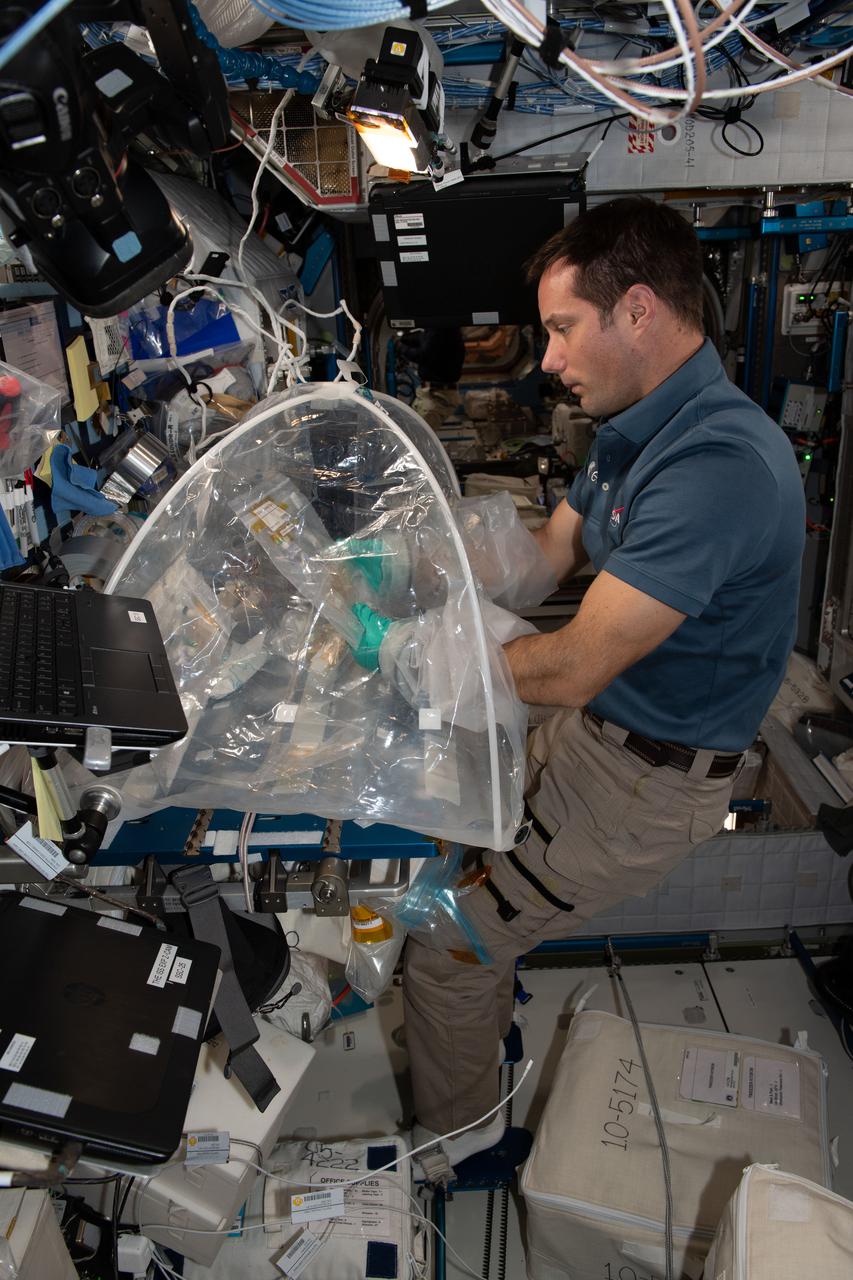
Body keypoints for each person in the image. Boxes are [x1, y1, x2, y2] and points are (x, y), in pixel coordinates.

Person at [397, 196, 806, 1167]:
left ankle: (461, 1144)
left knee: (443, 950)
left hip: (639, 784)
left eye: (561, 328)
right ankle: (480, 1027)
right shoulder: (634, 427)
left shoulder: (719, 463)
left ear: (636, 311)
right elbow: (546, 557)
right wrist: (423, 575)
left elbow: (578, 661)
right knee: (460, 859)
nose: (546, 358)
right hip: (594, 743)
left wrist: (429, 669)